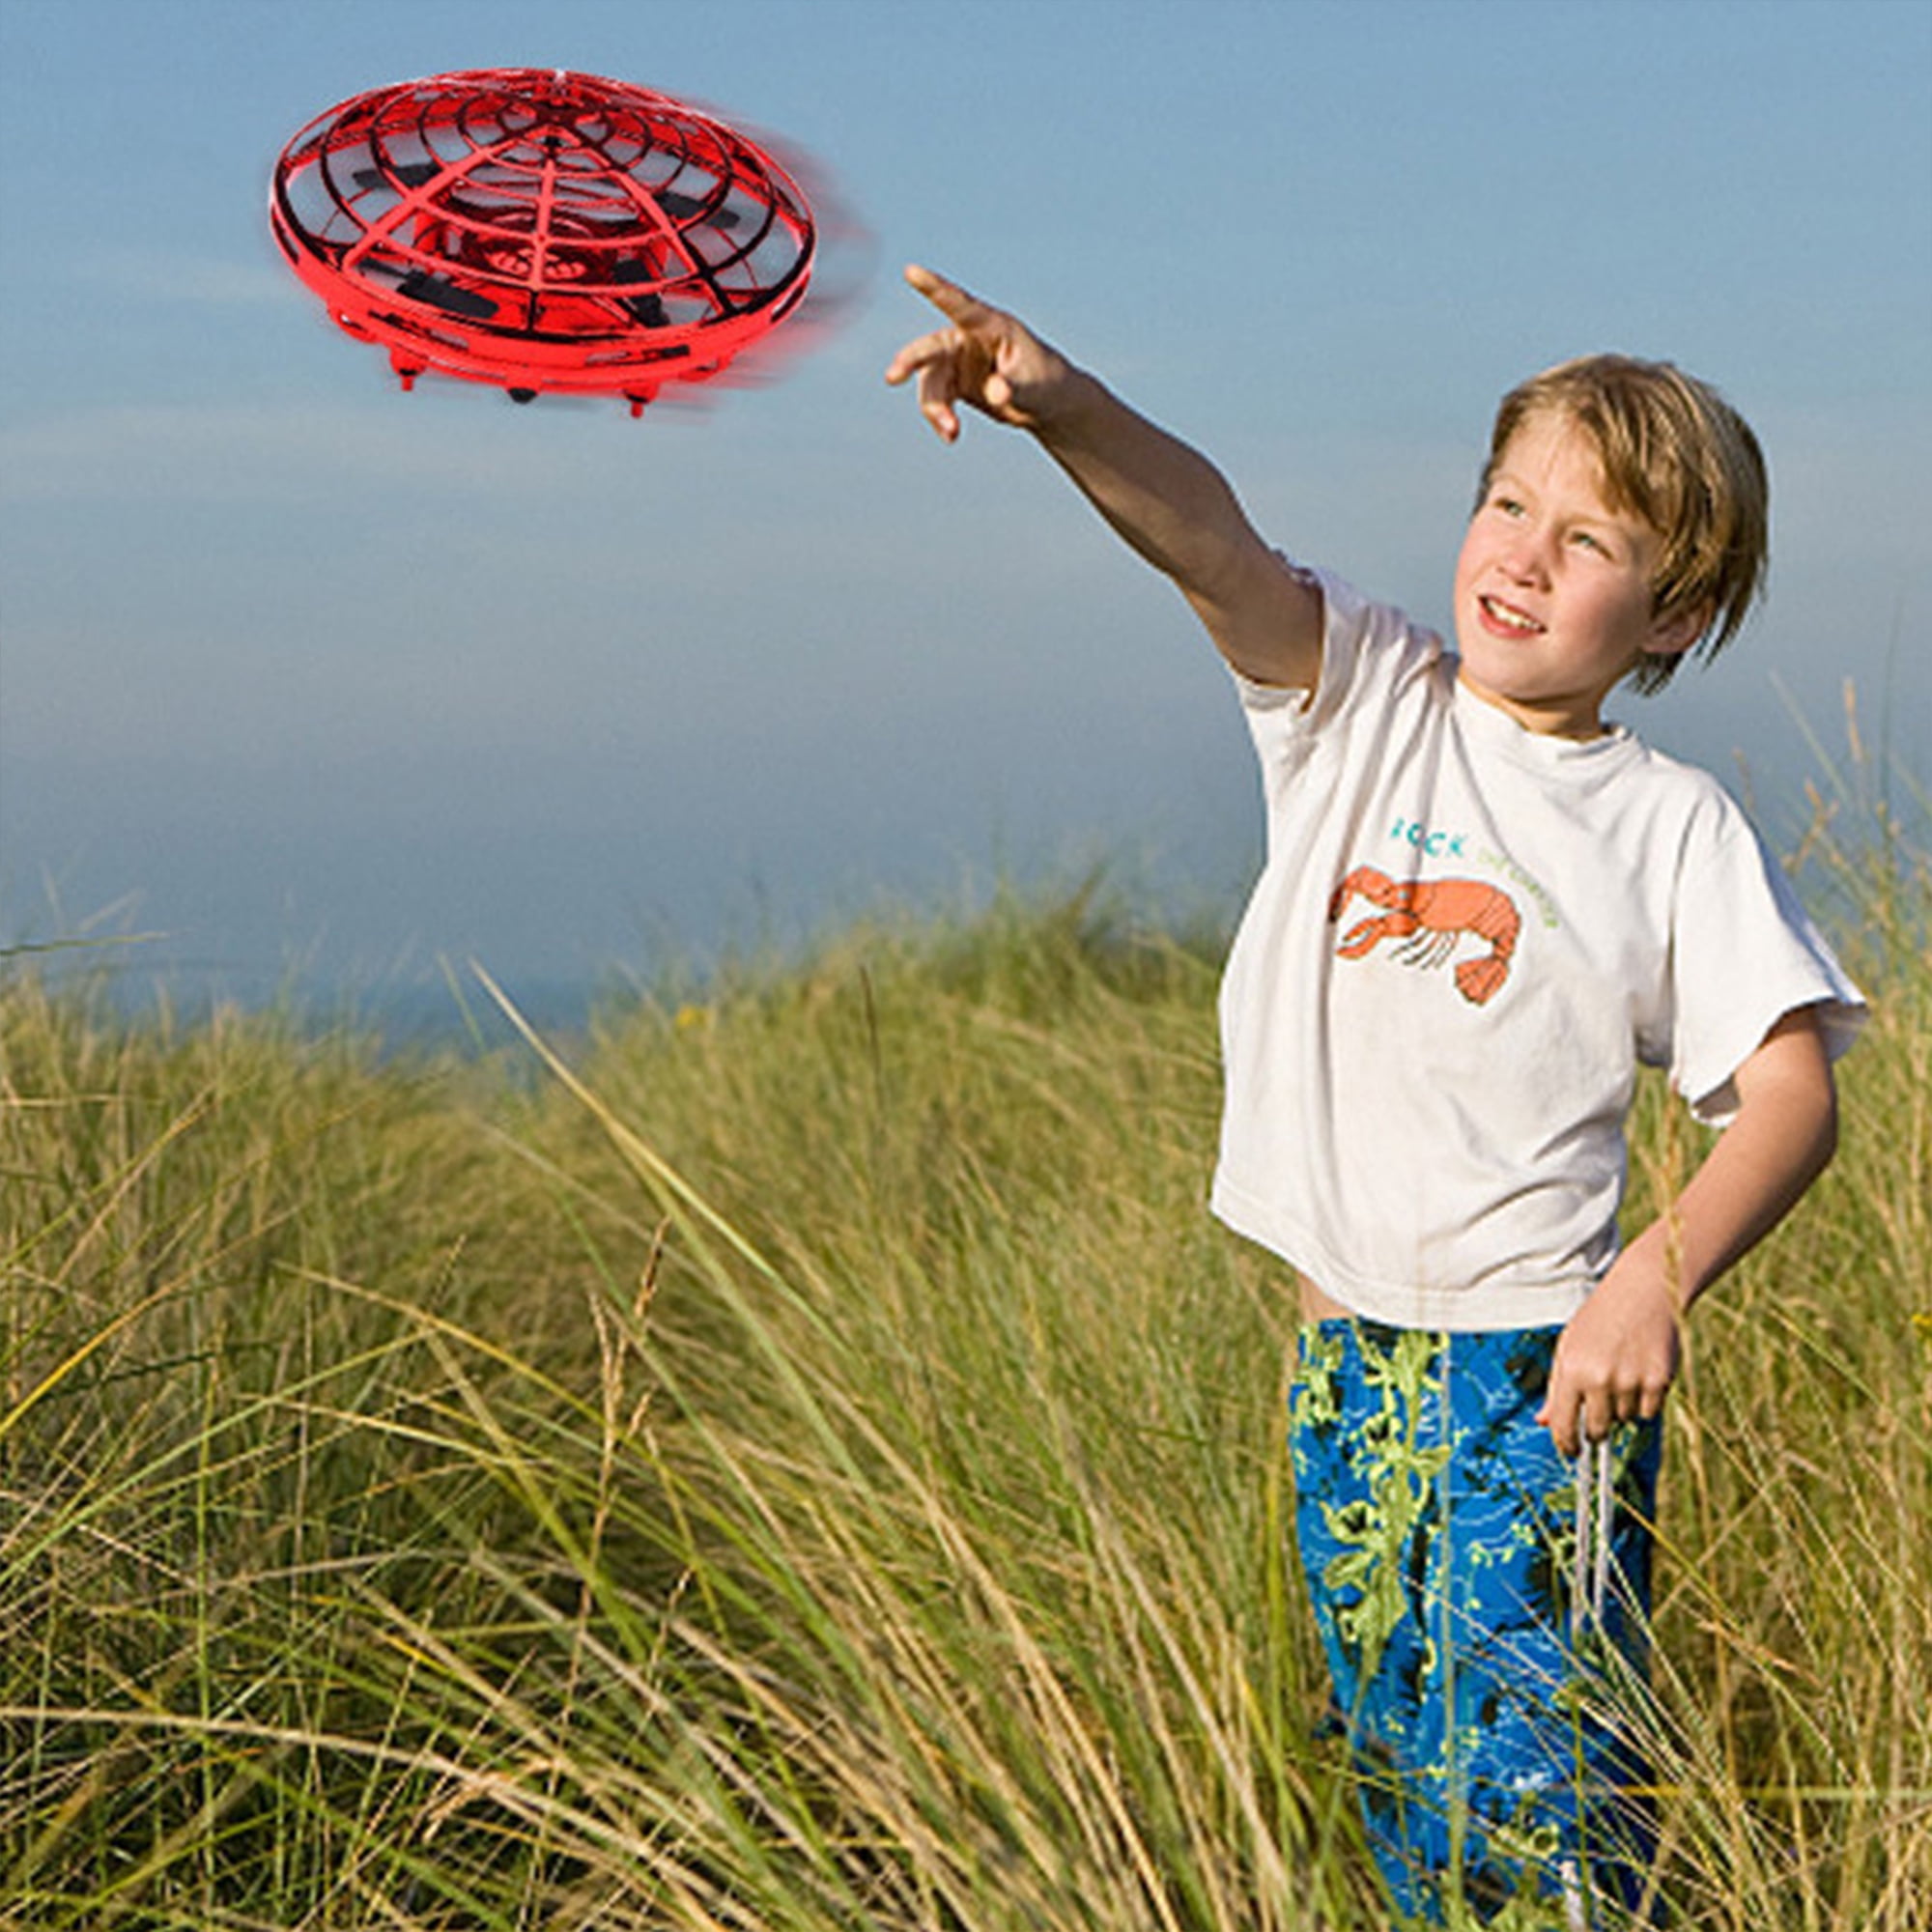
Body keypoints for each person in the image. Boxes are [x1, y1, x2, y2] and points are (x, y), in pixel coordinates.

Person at [885, 265, 1865, 1927]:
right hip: (1341, 1369)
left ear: (1674, 615)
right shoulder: (1364, 702)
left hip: (1532, 1386)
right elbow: (1209, 540)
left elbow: (1788, 1099)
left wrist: (1657, 1273)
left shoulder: (1666, 825)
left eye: (1593, 541)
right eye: (1509, 503)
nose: (1525, 555)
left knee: (1539, 1828)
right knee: (1403, 1797)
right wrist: (1061, 407)